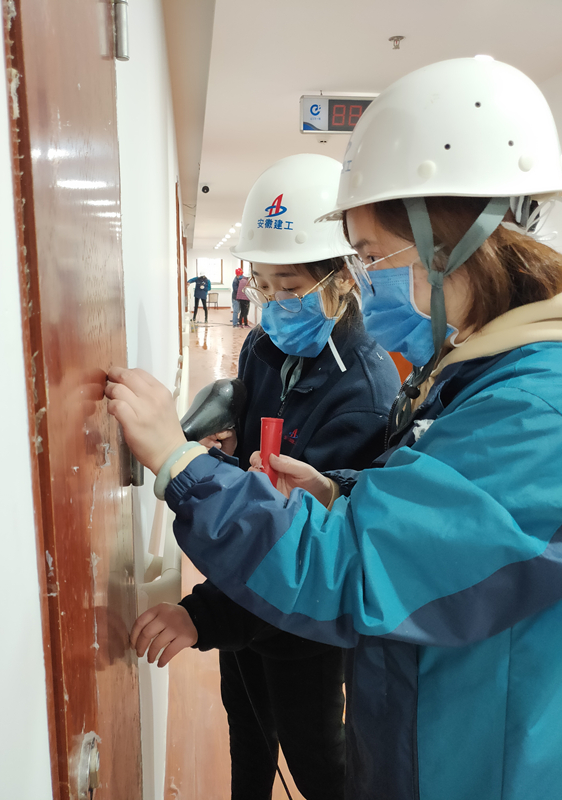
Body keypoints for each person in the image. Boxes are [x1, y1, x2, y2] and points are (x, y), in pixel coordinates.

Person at [107, 58, 562, 800]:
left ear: (453, 244)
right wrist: (341, 494)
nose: (369, 280)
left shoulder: (536, 414)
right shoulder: (483, 379)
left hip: (476, 763)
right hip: (427, 733)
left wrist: (178, 463)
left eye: (375, 257)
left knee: (314, 751)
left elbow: (354, 568)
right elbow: (435, 527)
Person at [132, 154, 400, 800]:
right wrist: (228, 451)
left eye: (291, 287)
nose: (276, 304)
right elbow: (256, 478)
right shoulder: (263, 346)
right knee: (247, 737)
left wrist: (202, 617)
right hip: (242, 590)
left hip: (302, 624)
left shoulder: (364, 393)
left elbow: (312, 555)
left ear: (341, 279)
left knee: (316, 762)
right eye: (265, 284)